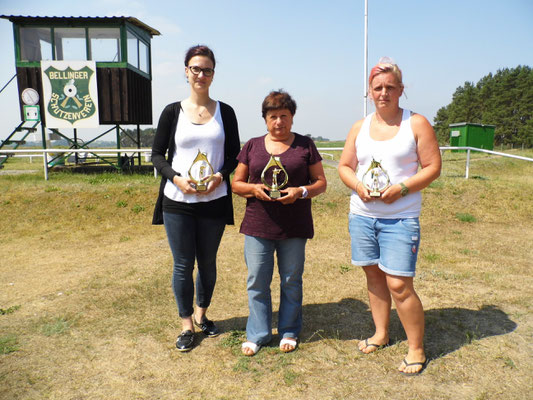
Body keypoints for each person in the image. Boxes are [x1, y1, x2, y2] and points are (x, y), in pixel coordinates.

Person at [338, 59, 441, 375]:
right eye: (378, 87)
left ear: (401, 90)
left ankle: (416, 348)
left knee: (399, 284)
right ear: (370, 91)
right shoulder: (360, 126)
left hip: (400, 219)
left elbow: (433, 167)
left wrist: (403, 188)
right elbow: (344, 166)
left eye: (390, 87)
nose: (384, 93)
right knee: (373, 276)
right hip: (362, 216)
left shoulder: (416, 124)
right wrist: (357, 185)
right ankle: (381, 333)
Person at [151, 45, 240, 352]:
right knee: (182, 264)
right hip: (177, 201)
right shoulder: (172, 111)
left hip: (214, 201)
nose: (201, 75)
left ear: (214, 74)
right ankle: (186, 324)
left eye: (207, 70)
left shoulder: (225, 112)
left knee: (208, 263)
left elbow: (234, 156)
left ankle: (202, 315)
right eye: (196, 69)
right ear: (186, 71)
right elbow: (156, 155)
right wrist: (175, 177)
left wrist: (220, 176)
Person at [232, 90, 327, 356]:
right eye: (273, 116)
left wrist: (301, 192)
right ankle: (258, 333)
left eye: (283, 116)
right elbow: (236, 183)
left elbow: (321, 183)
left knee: (291, 280)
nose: (278, 122)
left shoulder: (305, 145)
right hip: (257, 226)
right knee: (257, 281)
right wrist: (254, 190)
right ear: (265, 119)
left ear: (292, 117)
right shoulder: (252, 145)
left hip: (294, 226)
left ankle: (289, 330)